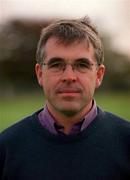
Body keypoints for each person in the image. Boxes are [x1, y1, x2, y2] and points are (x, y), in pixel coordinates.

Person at [0, 16, 130, 180]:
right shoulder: (6, 148)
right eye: (56, 64)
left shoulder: (126, 142)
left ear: (98, 75)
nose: (69, 76)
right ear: (40, 74)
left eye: (82, 65)